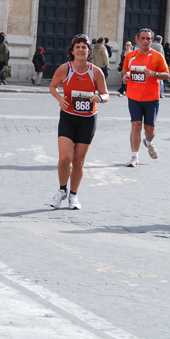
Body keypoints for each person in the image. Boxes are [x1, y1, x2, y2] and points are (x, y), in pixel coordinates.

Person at [49, 34, 109, 210]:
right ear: (72, 51)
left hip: (87, 120)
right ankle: (61, 190)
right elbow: (53, 86)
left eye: (84, 47)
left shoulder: (95, 72)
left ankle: (73, 196)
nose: (81, 50)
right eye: (78, 47)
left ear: (89, 51)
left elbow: (107, 95)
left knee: (78, 162)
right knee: (64, 158)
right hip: (68, 117)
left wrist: (100, 97)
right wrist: (60, 98)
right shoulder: (64, 69)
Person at [121, 28, 169, 168]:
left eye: (148, 39)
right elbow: (124, 70)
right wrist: (125, 76)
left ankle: (148, 143)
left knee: (150, 130)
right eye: (143, 38)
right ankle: (134, 157)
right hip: (134, 96)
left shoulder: (157, 56)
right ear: (137, 39)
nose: (145, 41)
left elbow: (166, 75)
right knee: (136, 125)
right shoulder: (130, 56)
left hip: (151, 98)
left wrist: (154, 74)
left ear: (151, 40)